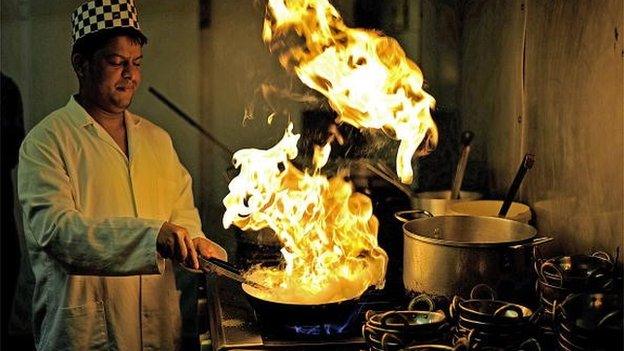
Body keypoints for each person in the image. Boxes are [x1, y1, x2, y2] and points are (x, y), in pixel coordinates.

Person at [17, 1, 226, 350]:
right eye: (116, 62)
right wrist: (153, 236)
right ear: (81, 64)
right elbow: (58, 233)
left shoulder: (158, 141)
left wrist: (195, 244)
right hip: (86, 334)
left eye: (136, 63)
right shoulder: (47, 142)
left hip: (158, 330)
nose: (130, 74)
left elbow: (183, 220)